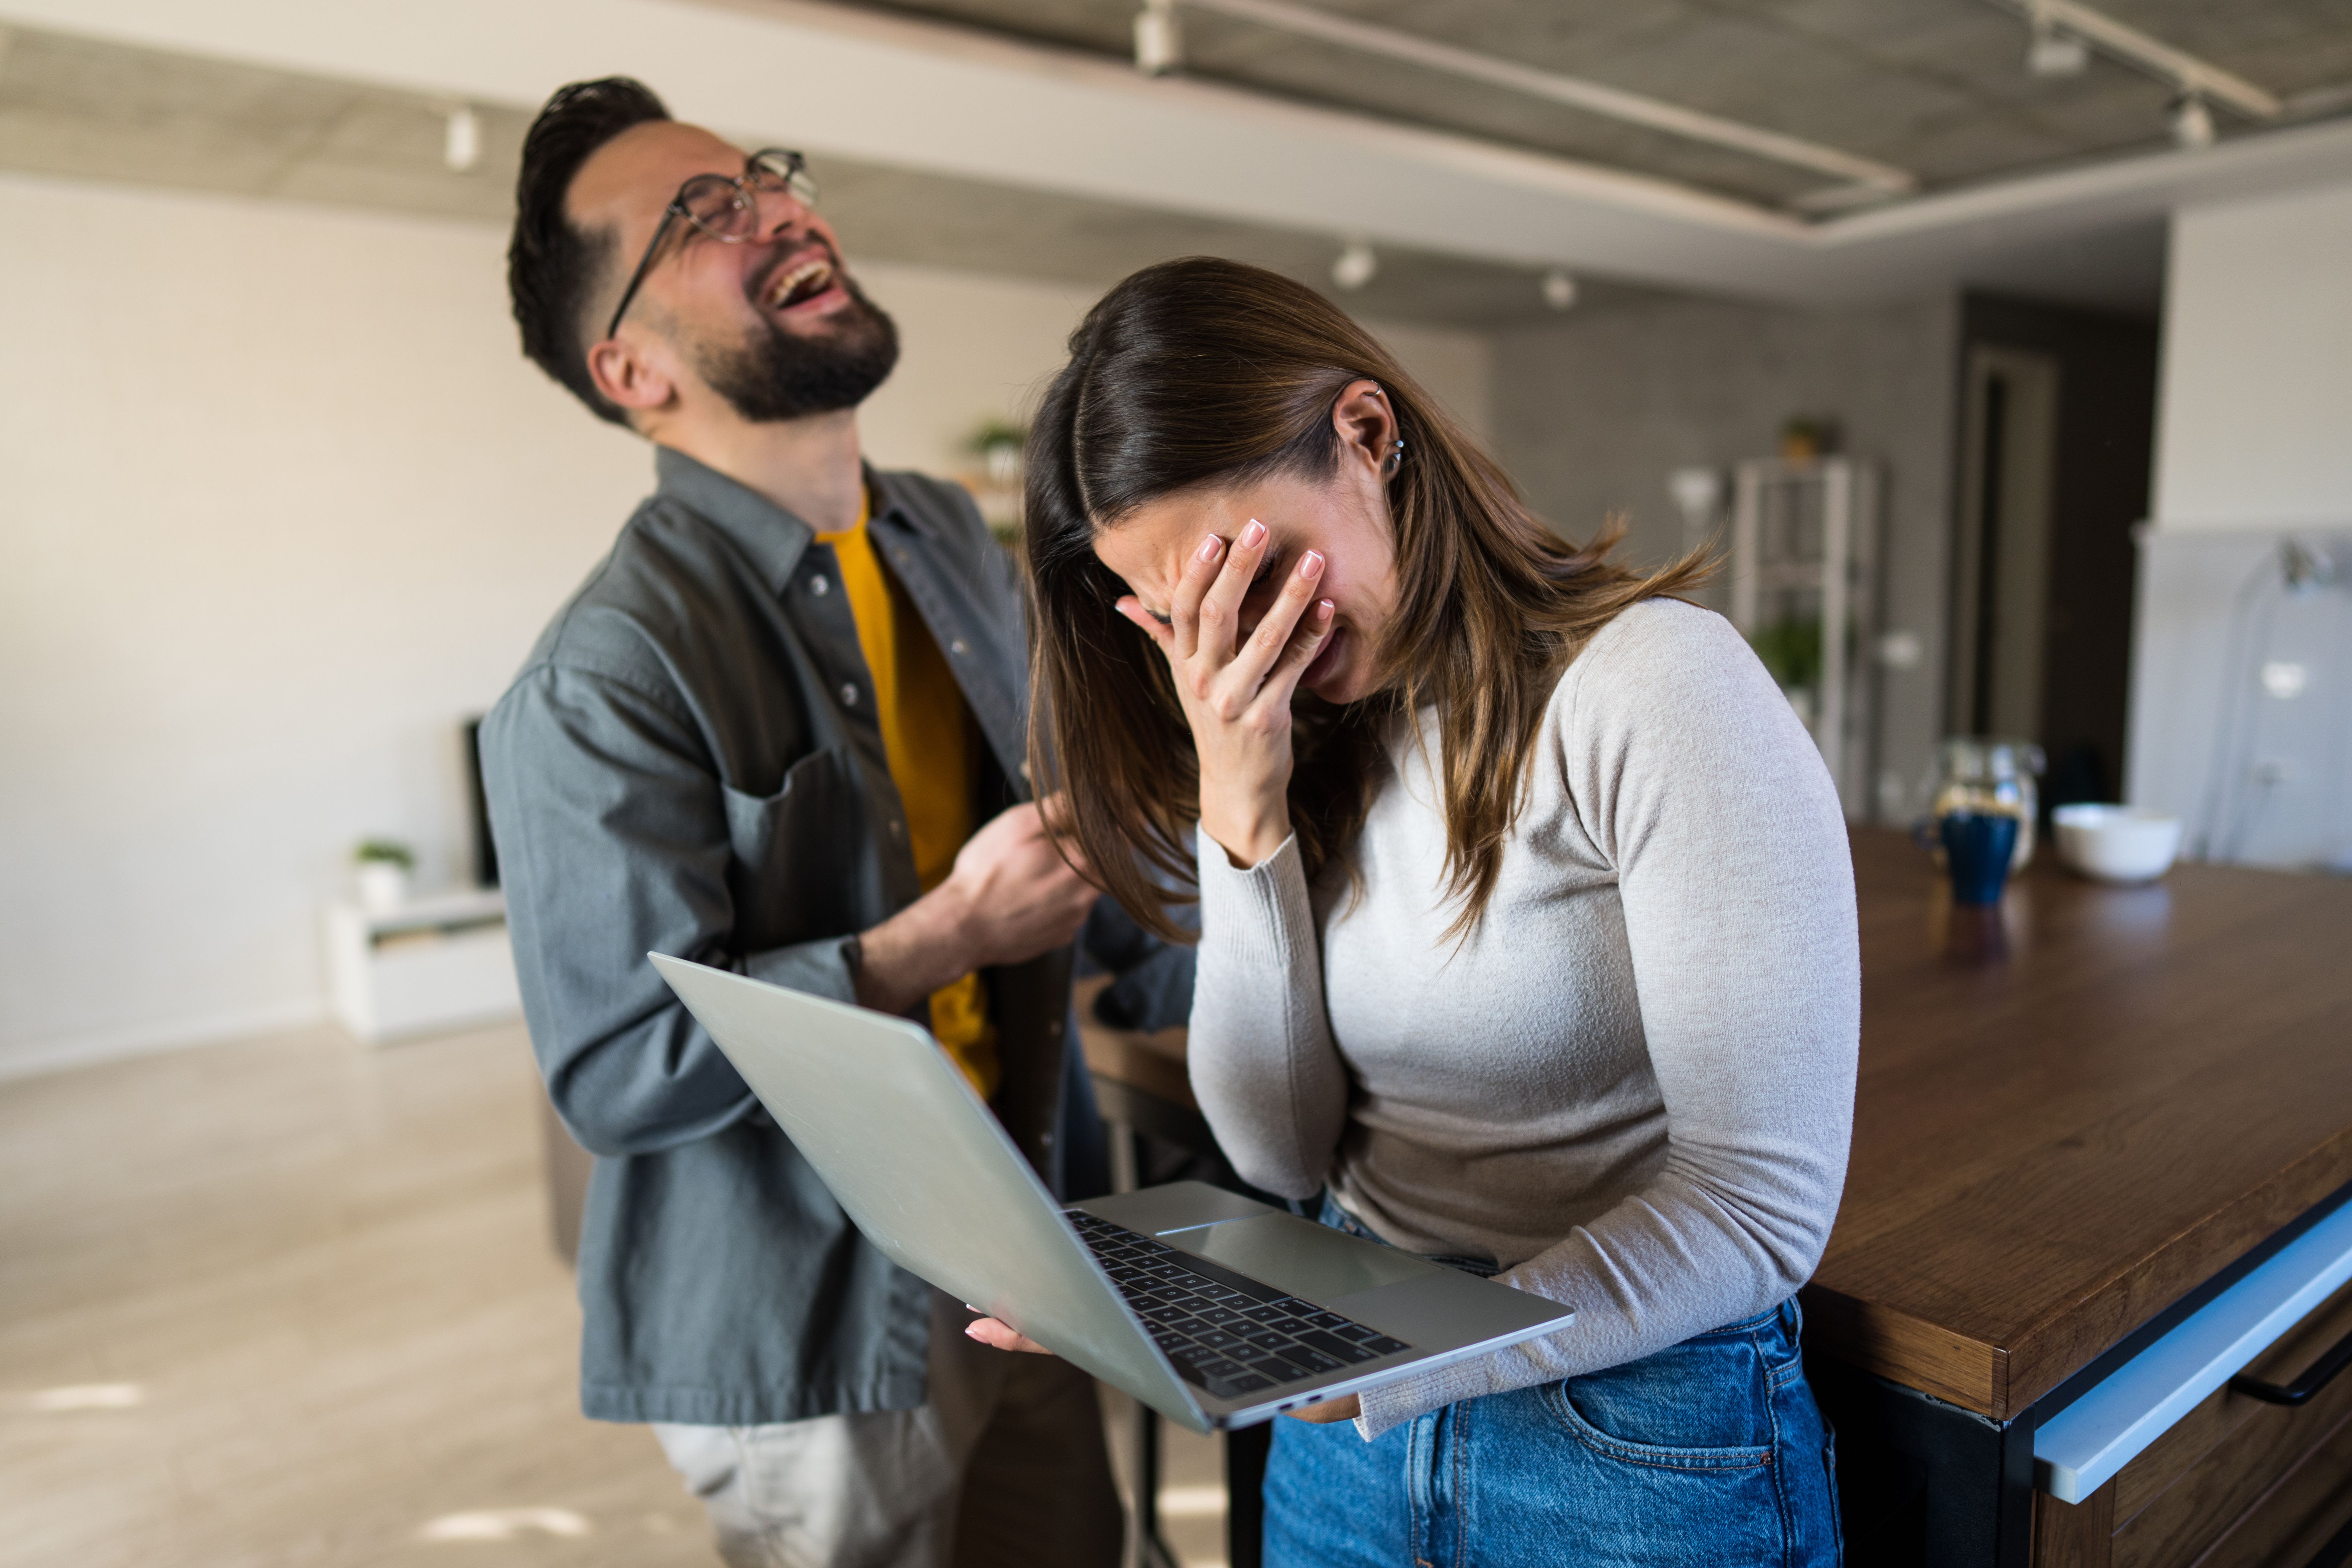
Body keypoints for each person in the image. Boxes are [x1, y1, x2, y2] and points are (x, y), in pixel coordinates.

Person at [972, 257, 1857, 1565]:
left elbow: (1760, 1205)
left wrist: (1400, 1349)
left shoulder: (1657, 687)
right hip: (1354, 1433)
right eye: (1183, 620)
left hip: (1633, 1432)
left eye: (1253, 578)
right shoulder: (1304, 737)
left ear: (1369, 437)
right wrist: (1244, 817)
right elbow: (1280, 1159)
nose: (1237, 652)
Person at [482, 77, 1172, 1568]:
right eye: (701, 217)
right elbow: (617, 1072)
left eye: (763, 177)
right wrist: (945, 938)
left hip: (1025, 1244)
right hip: (810, 1329)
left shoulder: (941, 536)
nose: (778, 207)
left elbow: (1081, 861)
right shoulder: (600, 673)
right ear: (634, 373)